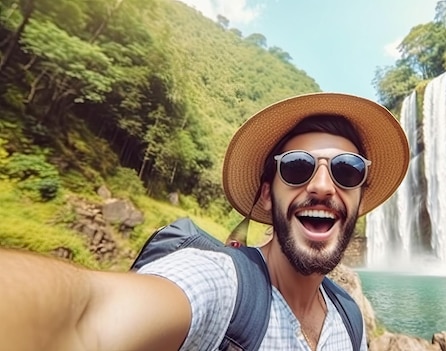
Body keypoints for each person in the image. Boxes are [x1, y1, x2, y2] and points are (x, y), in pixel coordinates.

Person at [0, 92, 409, 350]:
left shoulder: (349, 321)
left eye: (348, 170)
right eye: (298, 167)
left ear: (359, 197)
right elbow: (86, 315)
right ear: (267, 193)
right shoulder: (221, 285)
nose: (322, 185)